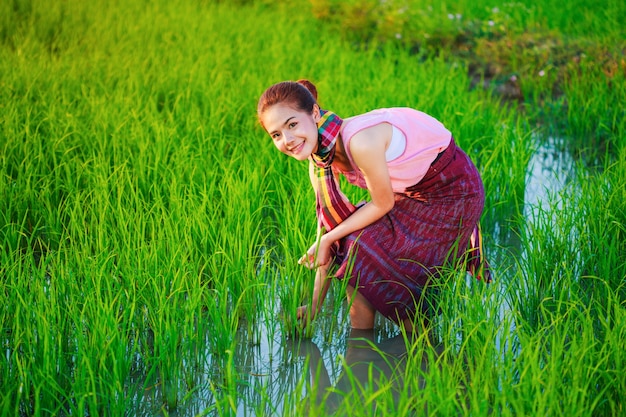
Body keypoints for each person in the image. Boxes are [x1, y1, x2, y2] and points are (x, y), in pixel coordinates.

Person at [257, 80, 490, 332]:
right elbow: (333, 232)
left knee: (389, 269)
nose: (288, 140)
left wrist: (327, 240)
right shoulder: (320, 162)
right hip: (410, 192)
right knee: (355, 250)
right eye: (276, 135)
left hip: (453, 191)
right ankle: (361, 351)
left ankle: (423, 349)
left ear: (314, 113)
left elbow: (382, 203)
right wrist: (314, 304)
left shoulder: (360, 142)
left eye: (292, 124)